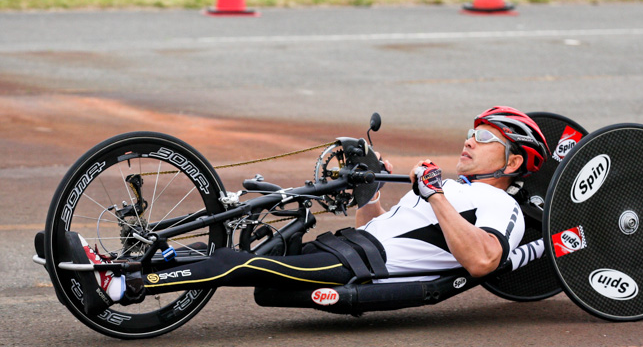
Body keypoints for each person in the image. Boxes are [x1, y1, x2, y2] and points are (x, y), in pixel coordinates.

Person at [74, 107, 550, 315]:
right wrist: (370, 196)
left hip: (364, 268)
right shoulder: (447, 185)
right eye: (473, 129)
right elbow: (380, 226)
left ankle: (121, 288)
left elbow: (484, 260)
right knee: (243, 237)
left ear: (512, 162)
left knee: (246, 263)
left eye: (487, 137)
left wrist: (435, 195)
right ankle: (118, 263)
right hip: (353, 245)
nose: (471, 138)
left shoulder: (499, 203)